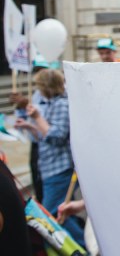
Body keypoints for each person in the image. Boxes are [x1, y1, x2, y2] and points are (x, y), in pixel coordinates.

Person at [13, 69, 85, 248]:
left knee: (50, 214)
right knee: (58, 212)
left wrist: (37, 117)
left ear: (47, 86)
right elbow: (43, 137)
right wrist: (30, 126)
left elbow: (57, 136)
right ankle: (80, 245)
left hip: (59, 167)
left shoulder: (62, 104)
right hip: (47, 165)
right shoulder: (47, 102)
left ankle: (81, 246)